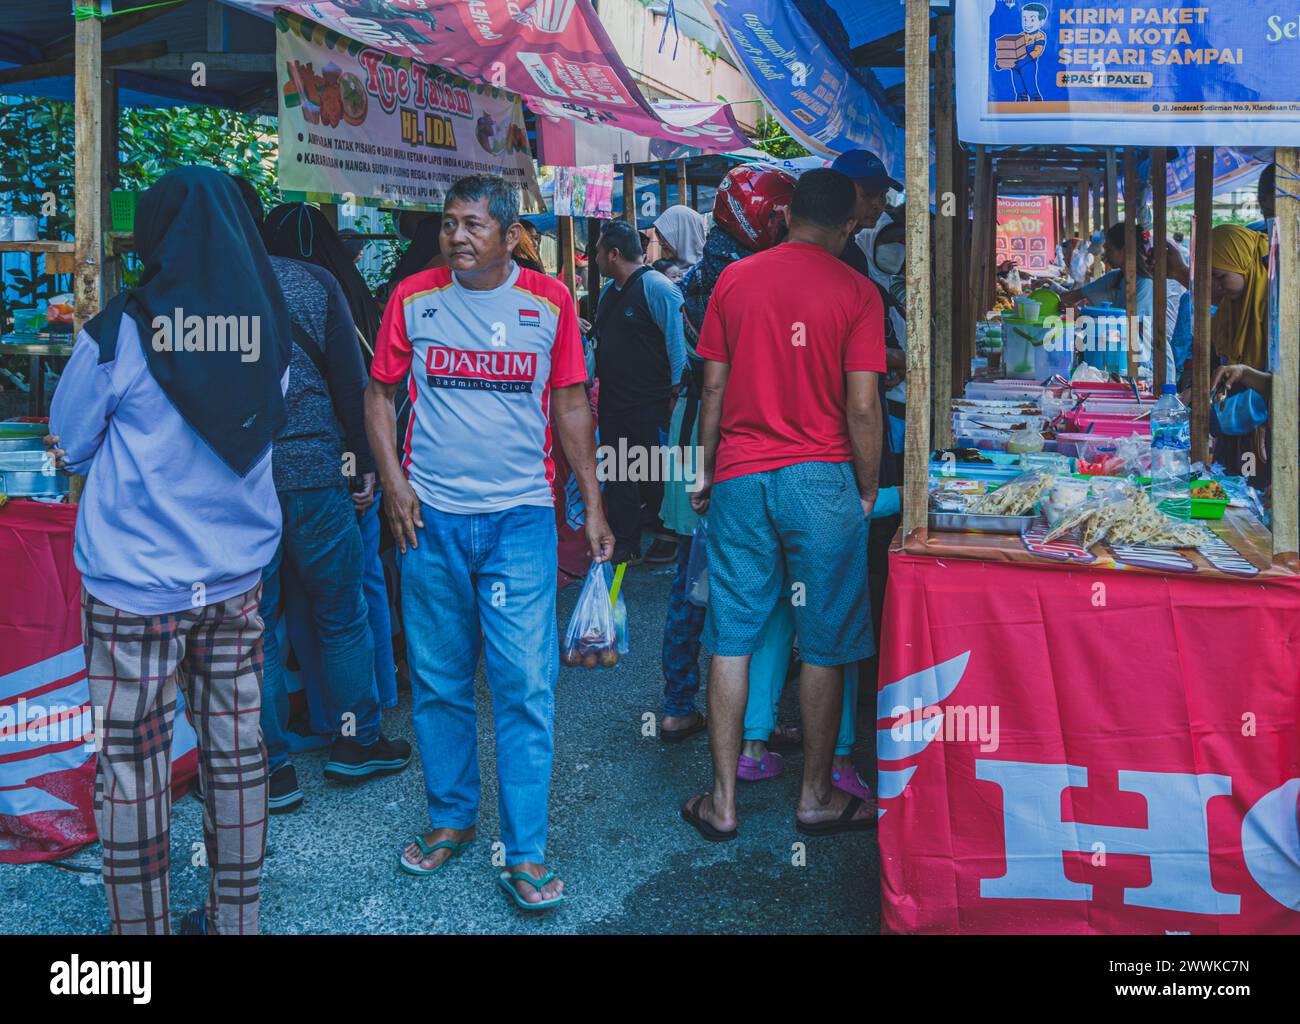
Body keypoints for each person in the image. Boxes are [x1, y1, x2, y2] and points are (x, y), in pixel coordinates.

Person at [46, 166, 292, 934]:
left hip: (135, 589)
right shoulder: (267, 325)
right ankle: (236, 921)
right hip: (235, 580)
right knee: (236, 750)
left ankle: (140, 939)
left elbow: (71, 444)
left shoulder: (119, 330)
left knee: (133, 766)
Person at [365, 173, 613, 911]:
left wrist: (592, 505)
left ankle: (526, 852)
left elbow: (570, 403)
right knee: (439, 682)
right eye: (449, 224)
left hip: (520, 524)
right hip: (430, 519)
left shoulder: (551, 303)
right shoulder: (413, 298)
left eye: (474, 224)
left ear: (511, 236)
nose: (457, 236)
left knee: (526, 687)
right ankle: (450, 820)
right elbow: (379, 393)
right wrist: (392, 484)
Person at [680, 168, 884, 842]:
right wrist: (864, 484)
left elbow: (712, 390)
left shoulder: (735, 279)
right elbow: (862, 405)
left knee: (731, 637)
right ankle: (817, 796)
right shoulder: (857, 292)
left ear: (789, 213)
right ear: (850, 223)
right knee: (826, 642)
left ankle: (722, 802)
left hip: (741, 475)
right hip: (822, 480)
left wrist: (704, 470)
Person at [252, 201, 412, 812]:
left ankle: (269, 771)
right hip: (318, 474)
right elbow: (354, 385)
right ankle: (354, 744)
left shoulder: (214, 286)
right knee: (340, 613)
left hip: (243, 485)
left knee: (257, 629)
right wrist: (363, 464)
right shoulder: (314, 282)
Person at [659, 165, 795, 743]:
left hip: (695, 431)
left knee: (696, 573)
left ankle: (680, 701)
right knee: (717, 578)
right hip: (716, 438)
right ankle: (731, 711)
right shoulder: (742, 279)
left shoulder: (706, 273)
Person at [592, 218, 687, 565]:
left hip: (652, 402)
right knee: (619, 475)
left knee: (655, 471)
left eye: (599, 251)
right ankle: (627, 542)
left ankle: (667, 536)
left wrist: (676, 395)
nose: (596, 257)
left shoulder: (657, 288)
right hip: (615, 402)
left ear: (614, 254)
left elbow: (676, 343)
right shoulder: (607, 292)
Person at [1061, 221, 1157, 372]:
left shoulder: (1145, 285)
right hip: (1120, 359)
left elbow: (1126, 326)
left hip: (1143, 365)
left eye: (1109, 250)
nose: (1105, 256)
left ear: (1124, 251)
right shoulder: (1116, 278)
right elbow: (1073, 296)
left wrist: (1082, 315)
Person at [652, 204, 705, 278]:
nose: (660, 243)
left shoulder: (709, 272)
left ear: (685, 234)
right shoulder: (660, 272)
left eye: (665, 238)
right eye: (659, 238)